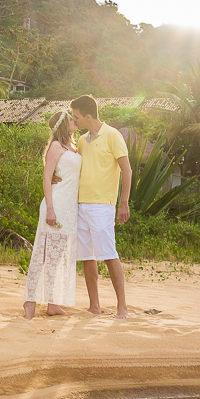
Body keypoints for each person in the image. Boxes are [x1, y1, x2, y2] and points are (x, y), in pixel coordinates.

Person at [70, 95, 133, 319]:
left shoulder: (113, 135)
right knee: (87, 256)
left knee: (108, 254)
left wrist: (123, 202)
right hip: (82, 205)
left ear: (88, 116)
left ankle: (122, 307)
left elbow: (127, 170)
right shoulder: (81, 140)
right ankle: (94, 306)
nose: (74, 121)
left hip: (102, 206)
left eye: (76, 117)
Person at [23, 110, 81, 319]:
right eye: (71, 119)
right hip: (55, 204)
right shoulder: (56, 146)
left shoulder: (73, 147)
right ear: (63, 125)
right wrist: (50, 208)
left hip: (69, 207)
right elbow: (47, 177)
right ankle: (29, 299)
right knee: (43, 253)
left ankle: (53, 303)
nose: (75, 120)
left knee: (56, 258)